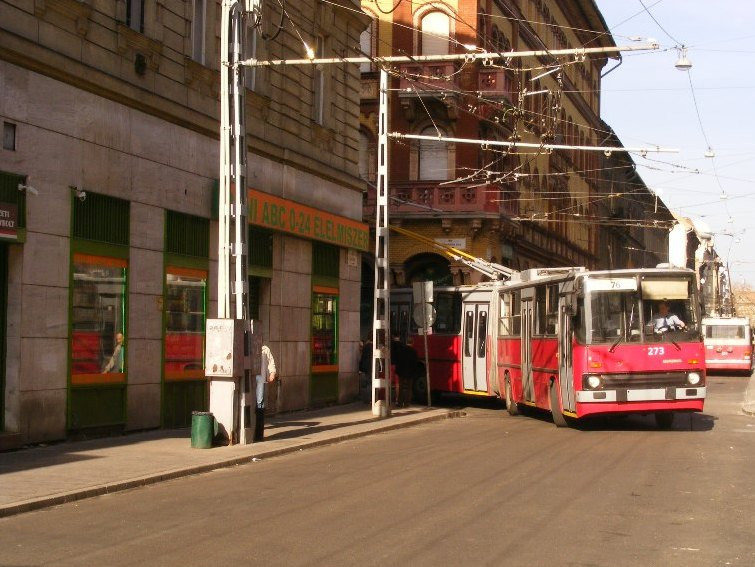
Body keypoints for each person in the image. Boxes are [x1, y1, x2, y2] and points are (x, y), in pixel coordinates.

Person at [254, 344, 277, 442]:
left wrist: (272, 372)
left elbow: (270, 361)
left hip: (259, 376)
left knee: (259, 400)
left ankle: (259, 433)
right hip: (250, 375)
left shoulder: (264, 349)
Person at [390, 335, 419, 408]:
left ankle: (400, 403)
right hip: (410, 373)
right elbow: (415, 363)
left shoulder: (401, 350)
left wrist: (398, 371)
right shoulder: (414, 352)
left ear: (406, 342)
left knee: (401, 387)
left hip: (401, 372)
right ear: (412, 343)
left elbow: (398, 361)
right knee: (409, 388)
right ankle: (407, 403)